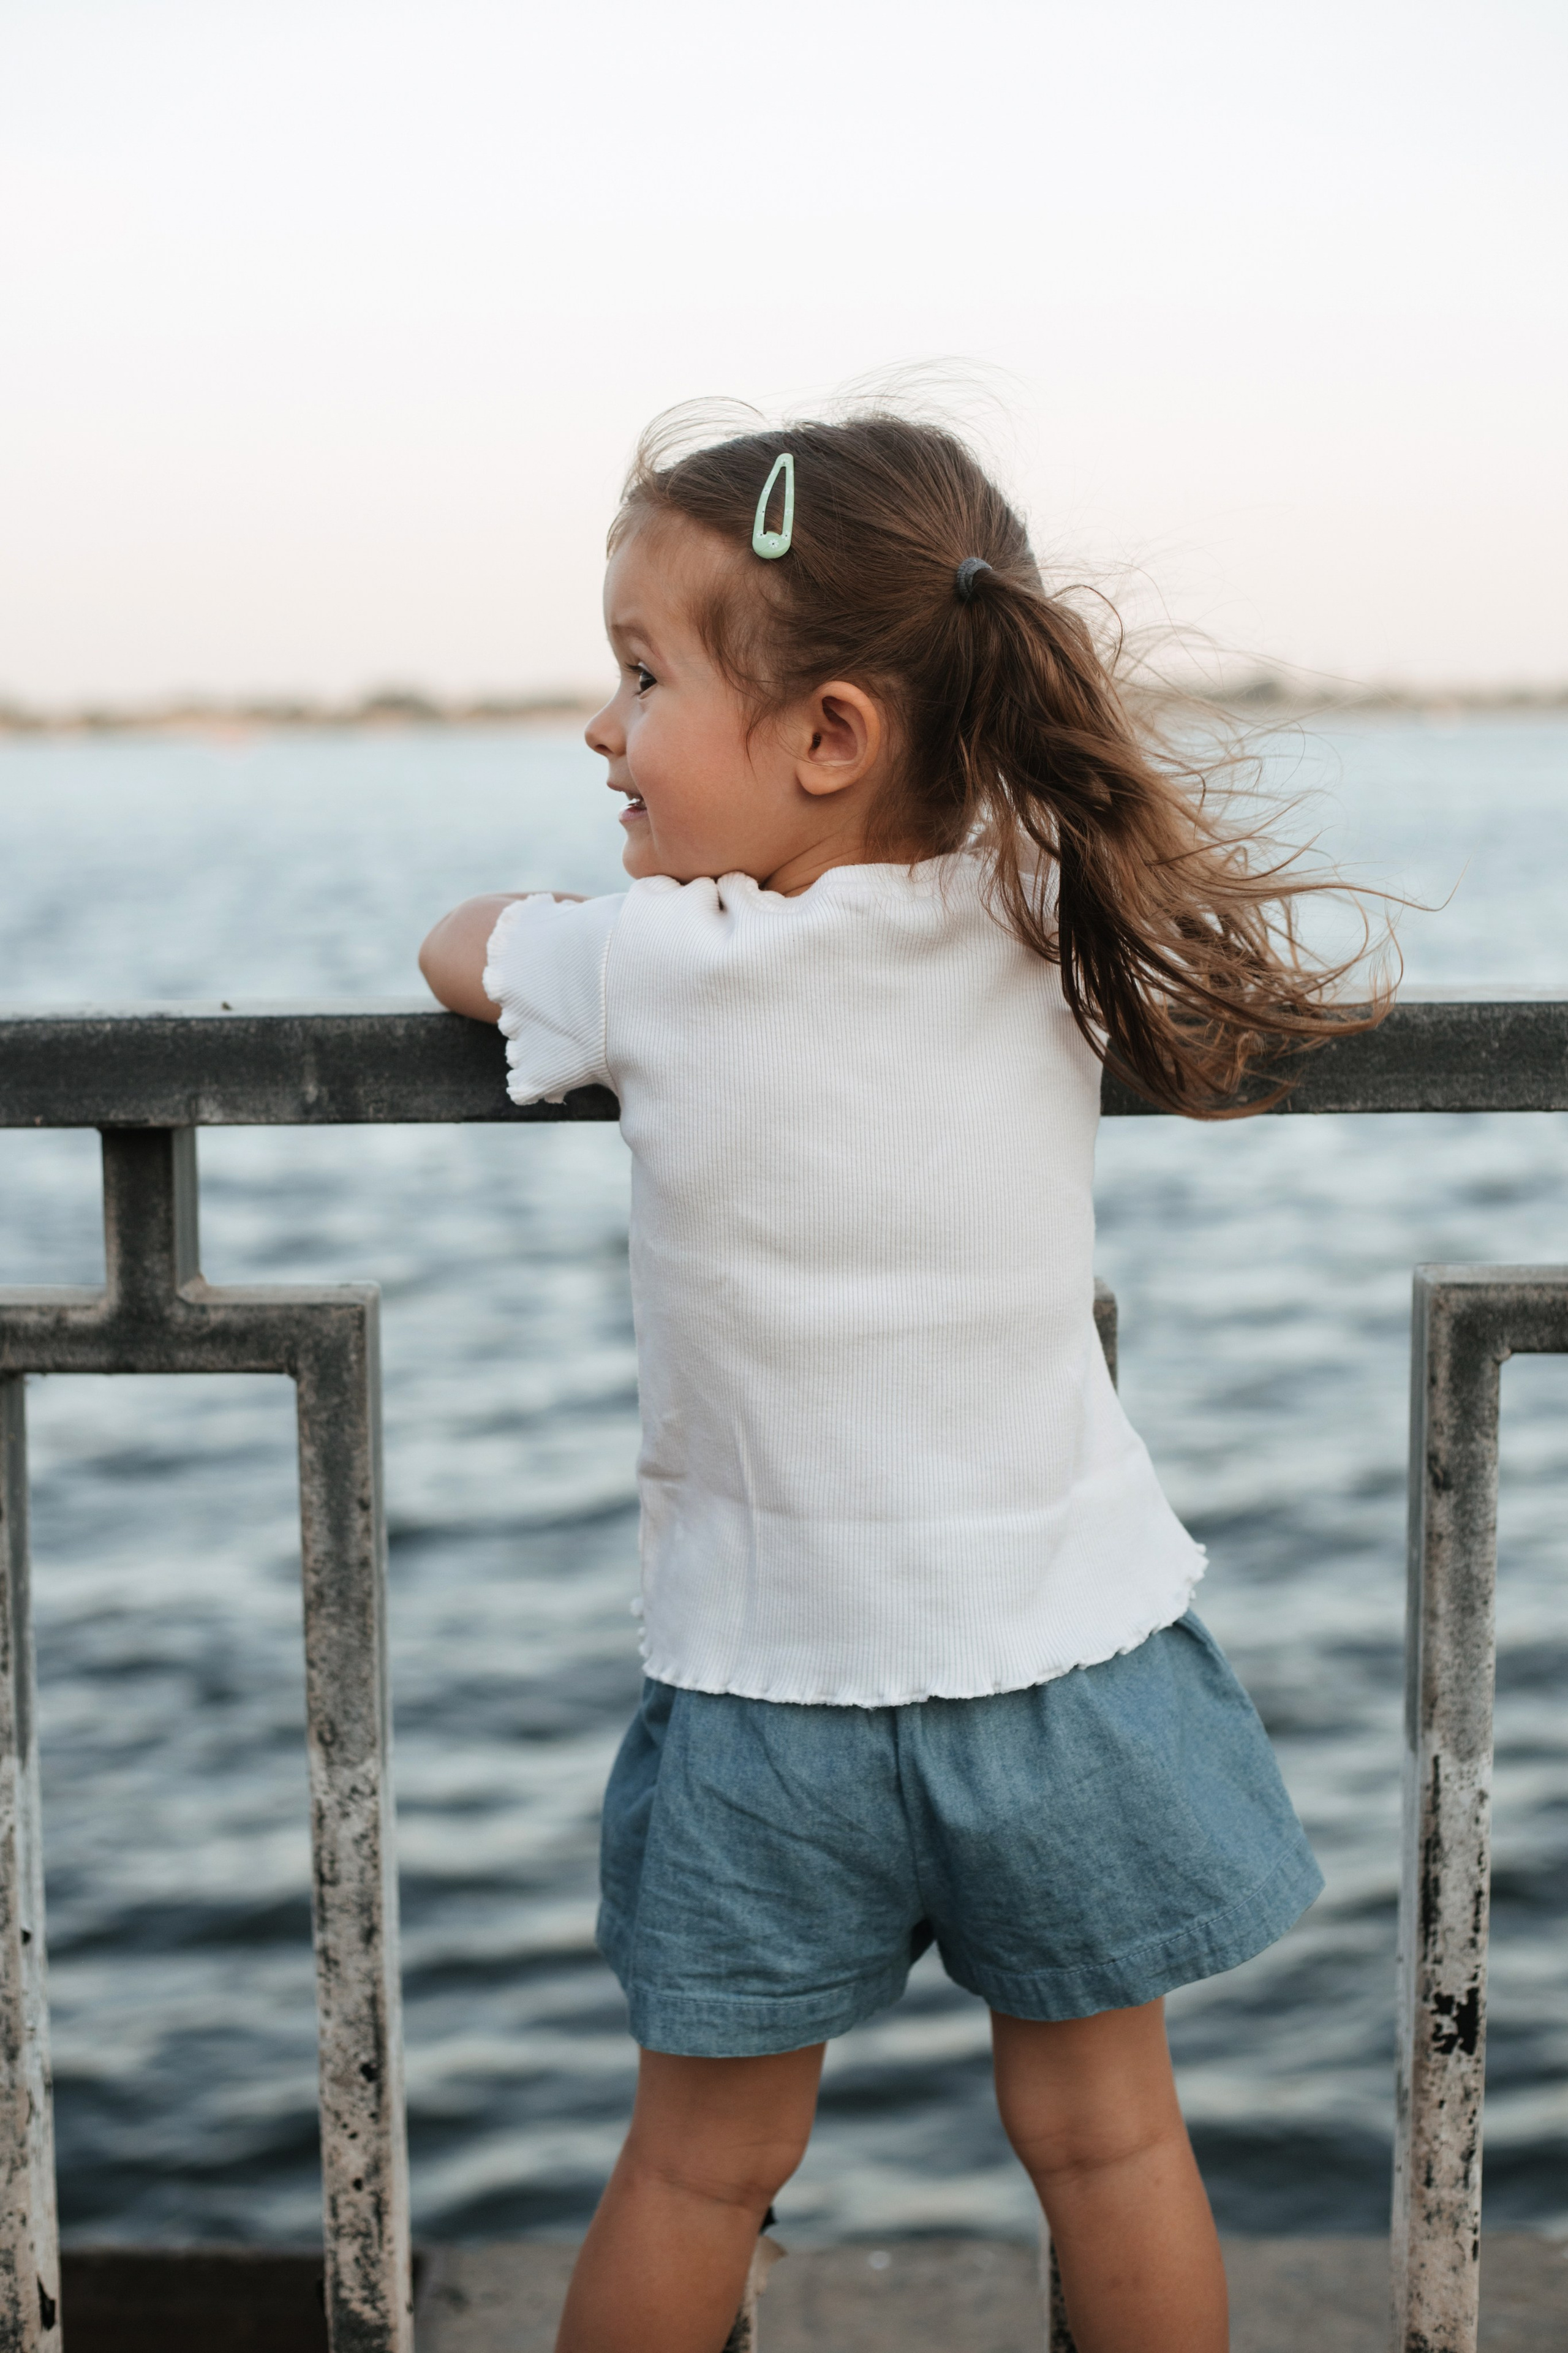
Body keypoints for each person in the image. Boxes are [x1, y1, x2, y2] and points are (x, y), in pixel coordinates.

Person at [419, 412, 1384, 2353]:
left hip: (771, 1685)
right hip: (1068, 1655)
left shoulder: (656, 967)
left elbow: (460, 948)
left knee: (699, 2164)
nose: (604, 731)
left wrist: (580, 924)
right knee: (1112, 2142)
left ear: (830, 735)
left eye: (639, 674)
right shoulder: (1042, 915)